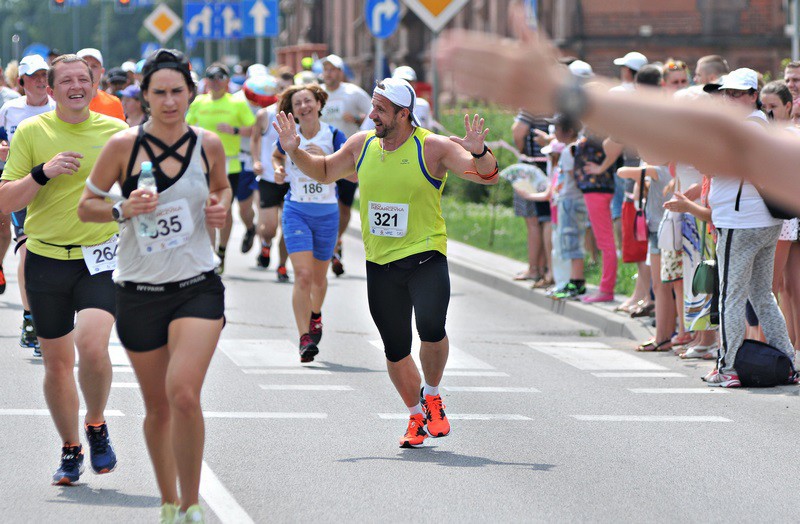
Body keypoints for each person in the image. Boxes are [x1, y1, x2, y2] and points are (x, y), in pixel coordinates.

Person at [272, 77, 499, 447]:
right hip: (380, 263)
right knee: (395, 348)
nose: (371, 114)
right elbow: (326, 171)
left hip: (425, 254)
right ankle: (414, 416)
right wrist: (294, 151)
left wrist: (480, 151)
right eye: (372, 106)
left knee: (431, 327)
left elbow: (487, 176)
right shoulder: (362, 145)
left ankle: (433, 394)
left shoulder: (433, 147)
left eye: (380, 109)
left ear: (403, 113)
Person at [78, 48, 229, 524]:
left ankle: (192, 504)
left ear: (191, 93)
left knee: (184, 392)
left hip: (197, 286)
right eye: (159, 92)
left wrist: (219, 209)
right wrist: (123, 210)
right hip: (138, 290)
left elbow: (221, 188)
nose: (169, 101)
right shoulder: (123, 147)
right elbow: (88, 205)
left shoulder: (209, 145)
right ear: (143, 96)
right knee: (158, 406)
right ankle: (169, 504)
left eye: (177, 92)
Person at [0, 53, 127, 485]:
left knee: (93, 347)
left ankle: (95, 423)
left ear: (94, 85)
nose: (77, 85)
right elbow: (6, 201)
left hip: (99, 258)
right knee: (57, 363)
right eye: (66, 80)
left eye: (84, 78)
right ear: (50, 91)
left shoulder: (116, 131)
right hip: (45, 260)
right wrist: (43, 173)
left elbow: (138, 188)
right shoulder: (33, 132)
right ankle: (71, 447)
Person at [272, 84, 346, 361]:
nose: (303, 107)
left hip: (327, 212)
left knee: (319, 278)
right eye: (297, 103)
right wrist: (279, 170)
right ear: (292, 111)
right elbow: (277, 154)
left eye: (307, 101)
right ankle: (304, 338)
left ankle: (316, 314)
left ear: (318, 104)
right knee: (302, 276)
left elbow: (351, 172)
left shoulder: (334, 135)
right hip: (296, 210)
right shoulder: (289, 135)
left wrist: (324, 160)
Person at [0, 53, 57, 355]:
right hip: (21, 190)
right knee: (26, 255)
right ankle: (30, 319)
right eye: (33, 75)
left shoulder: (58, 109)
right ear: (21, 82)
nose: (39, 80)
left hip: (54, 192)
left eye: (43, 74)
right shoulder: (9, 109)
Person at [186, 63, 256, 274]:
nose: (215, 83)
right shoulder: (198, 102)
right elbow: (186, 127)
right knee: (208, 210)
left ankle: (223, 251)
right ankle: (210, 254)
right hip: (203, 165)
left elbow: (252, 129)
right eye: (211, 79)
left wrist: (234, 129)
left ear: (227, 81)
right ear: (206, 82)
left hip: (231, 165)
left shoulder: (236, 103)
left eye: (220, 79)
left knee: (223, 211)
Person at [319, 54, 372, 276]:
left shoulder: (353, 92)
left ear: (340, 72)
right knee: (325, 203)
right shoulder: (316, 93)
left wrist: (359, 121)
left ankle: (336, 241)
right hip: (322, 157)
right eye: (326, 70)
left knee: (343, 206)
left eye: (333, 70)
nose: (329, 74)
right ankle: (329, 245)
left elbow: (374, 114)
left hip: (348, 158)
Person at [252, 73, 292, 281]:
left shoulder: (300, 116)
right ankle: (266, 244)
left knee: (288, 226)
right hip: (269, 176)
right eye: (282, 90)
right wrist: (256, 161)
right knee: (269, 228)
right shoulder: (265, 115)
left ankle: (282, 265)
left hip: (292, 181)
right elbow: (255, 138)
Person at [76, 48, 125, 121]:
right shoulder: (66, 103)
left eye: (94, 66)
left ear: (102, 71)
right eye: (84, 65)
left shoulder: (114, 103)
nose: (89, 69)